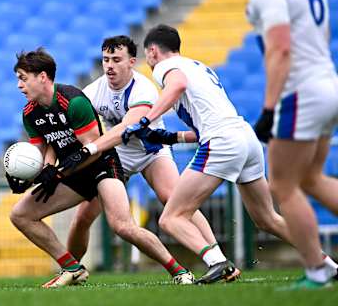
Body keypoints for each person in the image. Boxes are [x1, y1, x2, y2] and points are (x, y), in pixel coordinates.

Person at [118, 24, 338, 285]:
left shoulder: (167, 67)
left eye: (147, 55)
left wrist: (146, 120)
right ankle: (326, 263)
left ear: (153, 51)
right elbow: (200, 124)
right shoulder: (198, 66)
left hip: (223, 141)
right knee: (267, 218)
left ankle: (217, 262)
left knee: (171, 217)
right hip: (245, 138)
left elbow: (177, 86)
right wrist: (170, 137)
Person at [6, 48, 194, 288]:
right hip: (71, 171)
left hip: (101, 165)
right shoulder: (30, 113)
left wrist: (58, 172)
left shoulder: (73, 101)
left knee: (122, 226)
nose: (19, 85)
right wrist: (28, 177)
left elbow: (92, 148)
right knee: (20, 215)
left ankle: (179, 271)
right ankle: (73, 268)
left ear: (42, 76)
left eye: (23, 78)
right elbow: (44, 149)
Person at [65, 35, 218, 267]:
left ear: (132, 62)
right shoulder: (93, 92)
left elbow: (126, 128)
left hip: (151, 152)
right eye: (106, 59)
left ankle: (217, 258)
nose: (109, 66)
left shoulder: (144, 88)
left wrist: (91, 149)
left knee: (174, 199)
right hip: (117, 155)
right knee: (83, 217)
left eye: (116, 59)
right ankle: (70, 269)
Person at [247, 0, 338, 289]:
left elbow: (281, 49)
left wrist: (269, 109)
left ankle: (318, 270)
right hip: (328, 83)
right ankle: (319, 267)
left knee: (283, 185)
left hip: (301, 91)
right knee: (312, 178)